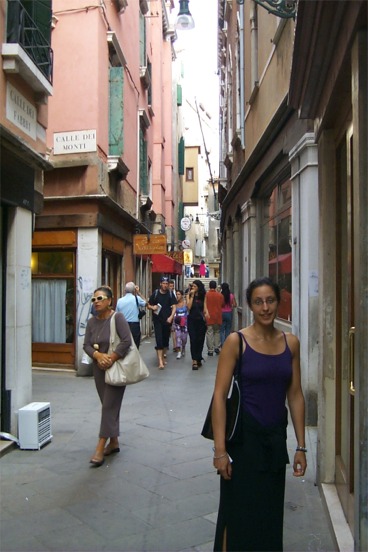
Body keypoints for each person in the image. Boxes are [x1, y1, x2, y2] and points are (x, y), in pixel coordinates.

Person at [211, 277, 307, 551]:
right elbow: (219, 396)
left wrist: (300, 446)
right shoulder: (235, 342)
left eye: (270, 301)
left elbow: (295, 394)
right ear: (249, 306)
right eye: (258, 302)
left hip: (274, 440)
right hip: (243, 442)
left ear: (279, 302)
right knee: (236, 513)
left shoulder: (291, 344)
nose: (265, 308)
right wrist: (220, 451)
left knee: (270, 515)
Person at [83, 286, 131, 467]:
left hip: (115, 367)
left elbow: (127, 340)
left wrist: (110, 358)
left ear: (110, 300)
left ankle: (100, 447)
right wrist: (97, 356)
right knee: (108, 405)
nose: (96, 302)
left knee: (108, 407)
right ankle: (115, 442)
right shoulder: (91, 322)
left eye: (100, 298)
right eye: (94, 299)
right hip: (99, 369)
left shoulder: (117, 318)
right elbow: (86, 345)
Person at [148, 276, 177, 369]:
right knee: (159, 341)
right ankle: (160, 362)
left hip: (167, 321)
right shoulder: (156, 294)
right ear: (160, 284)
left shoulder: (170, 294)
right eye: (163, 283)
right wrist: (153, 307)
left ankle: (163, 356)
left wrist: (171, 317)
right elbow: (148, 304)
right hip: (157, 321)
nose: (165, 285)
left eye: (166, 284)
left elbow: (174, 306)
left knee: (165, 341)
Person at [115, 282, 147, 348]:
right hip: (134, 325)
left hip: (122, 325)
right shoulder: (137, 298)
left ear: (125, 290)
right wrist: (138, 293)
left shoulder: (119, 301)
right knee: (135, 345)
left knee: (124, 344)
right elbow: (146, 303)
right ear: (134, 290)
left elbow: (116, 314)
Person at [186, 279, 209, 370]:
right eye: (192, 286)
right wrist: (191, 295)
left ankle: (199, 356)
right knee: (193, 339)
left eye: (195, 286)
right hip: (192, 320)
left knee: (200, 340)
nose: (193, 288)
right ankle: (194, 360)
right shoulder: (189, 295)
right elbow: (189, 307)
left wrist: (207, 315)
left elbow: (205, 308)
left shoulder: (203, 296)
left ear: (199, 287)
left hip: (201, 321)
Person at [205, 280, 224, 356]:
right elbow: (222, 304)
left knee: (209, 333)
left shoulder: (206, 295)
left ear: (209, 286)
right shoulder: (220, 295)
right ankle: (217, 347)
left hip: (209, 316)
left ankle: (210, 350)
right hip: (218, 316)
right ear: (215, 286)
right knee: (217, 332)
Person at [173, 290, 188, 359]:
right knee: (178, 337)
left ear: (182, 295)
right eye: (176, 294)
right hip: (177, 323)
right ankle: (179, 352)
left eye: (179, 294)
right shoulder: (175, 304)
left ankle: (183, 347)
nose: (177, 295)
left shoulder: (186, 303)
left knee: (184, 338)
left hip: (185, 323)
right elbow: (173, 313)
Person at [169, 280, 178, 352]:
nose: (171, 288)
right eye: (170, 286)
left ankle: (175, 345)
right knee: (172, 330)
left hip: (175, 314)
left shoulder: (176, 293)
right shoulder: (168, 294)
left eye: (172, 286)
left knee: (174, 330)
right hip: (168, 314)